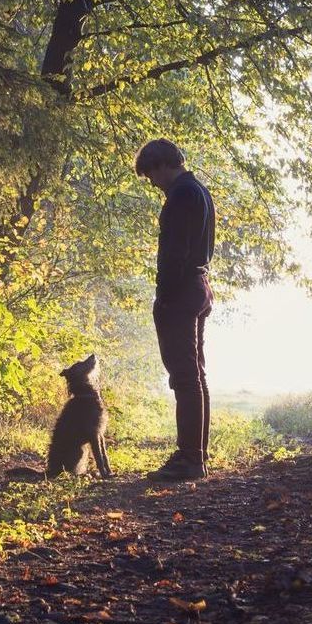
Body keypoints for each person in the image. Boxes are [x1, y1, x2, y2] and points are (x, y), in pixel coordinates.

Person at [135, 139, 216, 482]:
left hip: (181, 290)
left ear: (161, 165)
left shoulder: (182, 194)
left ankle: (190, 459)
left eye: (150, 174)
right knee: (195, 374)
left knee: (184, 376)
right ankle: (196, 453)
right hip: (198, 286)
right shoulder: (199, 190)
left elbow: (174, 252)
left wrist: (163, 295)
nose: (152, 182)